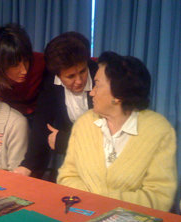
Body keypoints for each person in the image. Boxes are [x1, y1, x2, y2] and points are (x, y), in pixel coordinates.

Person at [57, 51, 177, 211]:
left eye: (97, 84)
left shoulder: (159, 130)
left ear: (118, 95)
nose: (91, 92)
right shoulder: (84, 123)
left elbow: (159, 198)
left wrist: (101, 200)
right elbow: (67, 176)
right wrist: (92, 202)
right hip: (81, 216)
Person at [14, 32, 98, 178]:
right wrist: (27, 165)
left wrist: (65, 141)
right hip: (76, 160)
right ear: (58, 75)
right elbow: (41, 125)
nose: (79, 81)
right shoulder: (51, 83)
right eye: (70, 76)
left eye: (83, 71)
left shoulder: (102, 78)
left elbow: (107, 134)